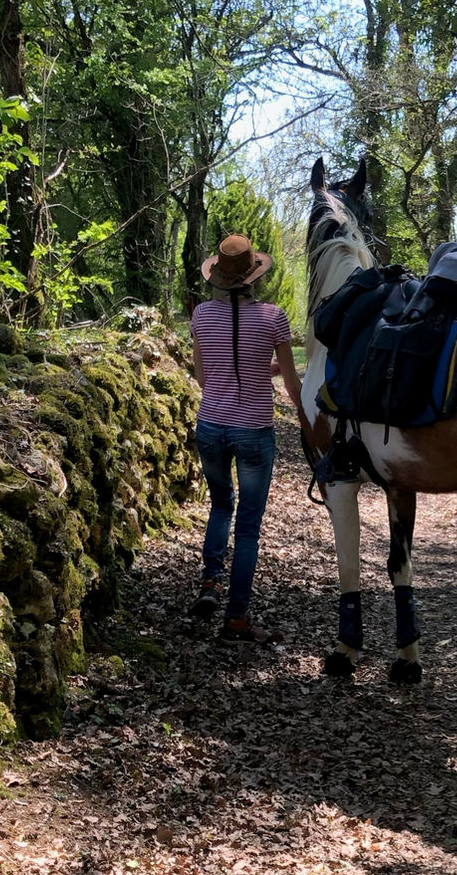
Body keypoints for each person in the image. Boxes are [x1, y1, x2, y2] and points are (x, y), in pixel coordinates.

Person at [189, 233, 305, 644]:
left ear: (217, 277)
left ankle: (209, 583)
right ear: (254, 275)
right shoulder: (274, 318)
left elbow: (205, 378)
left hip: (211, 425)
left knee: (221, 506)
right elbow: (292, 383)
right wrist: (307, 423)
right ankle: (236, 620)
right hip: (254, 430)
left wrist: (254, 369)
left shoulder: (201, 316)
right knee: (249, 528)